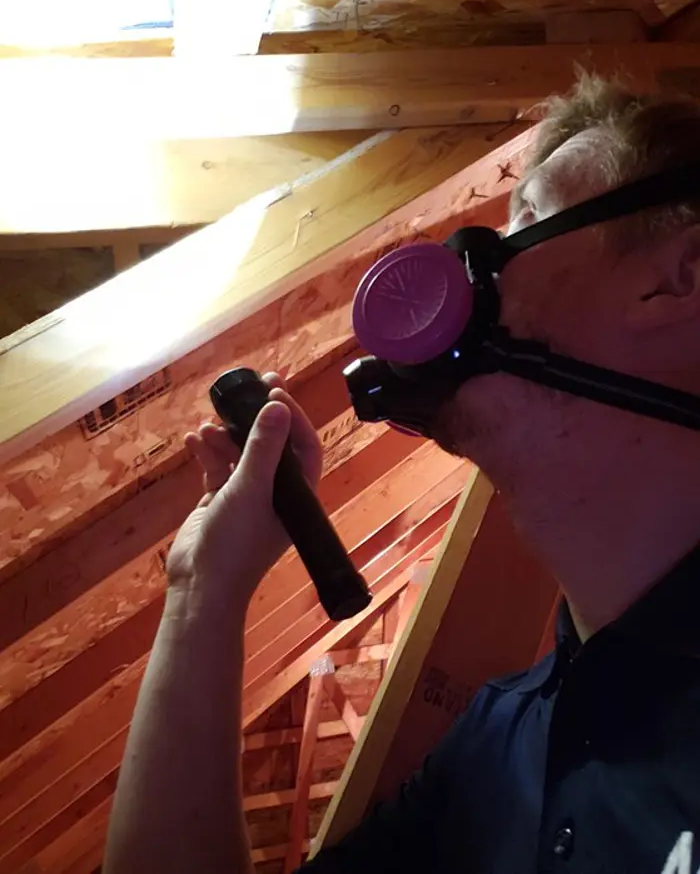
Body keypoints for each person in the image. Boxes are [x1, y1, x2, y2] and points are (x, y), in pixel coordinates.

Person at [103, 75, 700, 874]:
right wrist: (203, 588)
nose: (469, 266)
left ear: (678, 280)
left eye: (527, 223)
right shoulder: (496, 750)